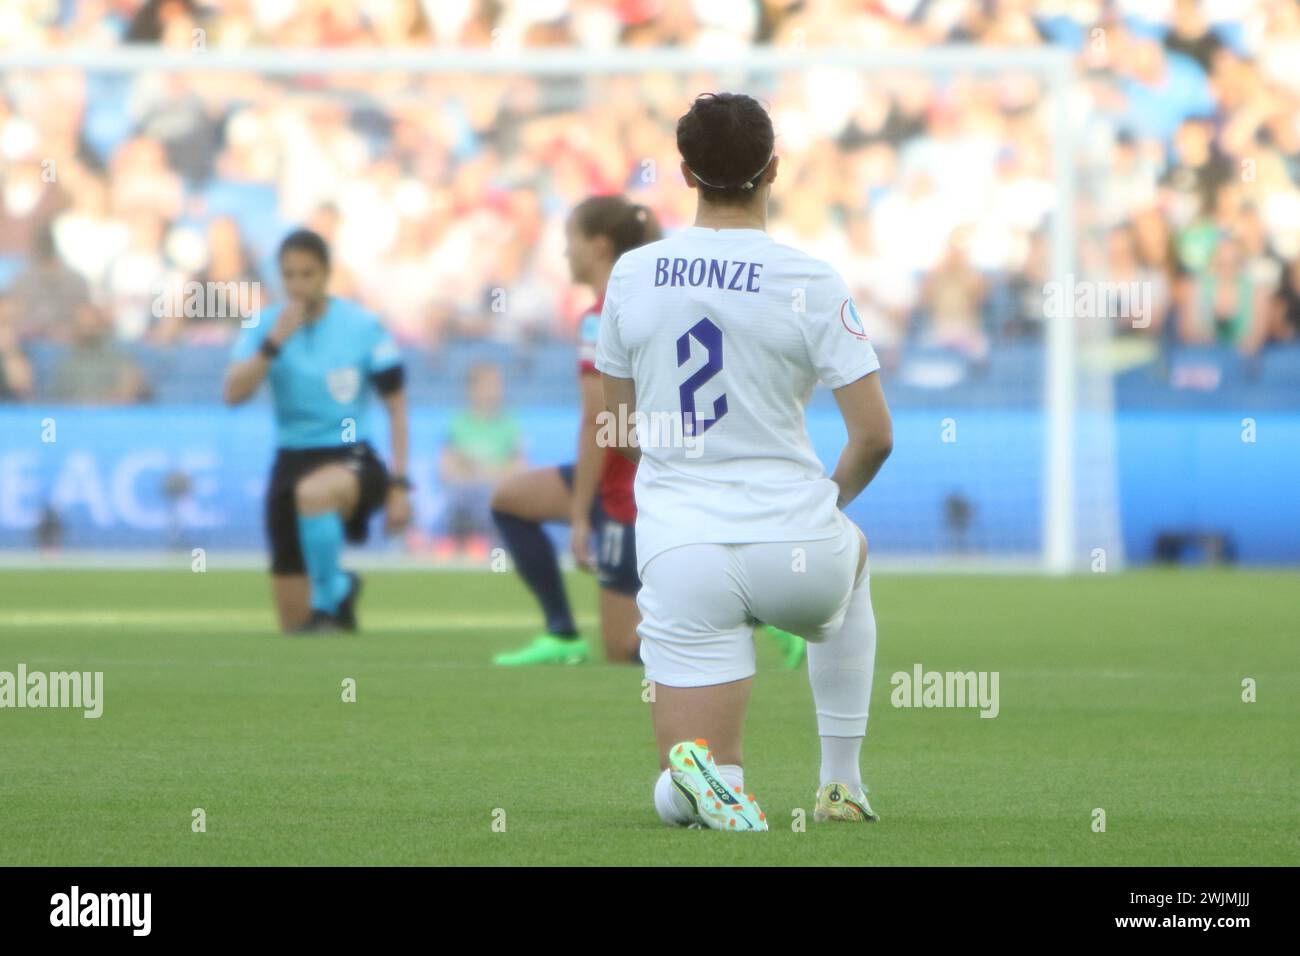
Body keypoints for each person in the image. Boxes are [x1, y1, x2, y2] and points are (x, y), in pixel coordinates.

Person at [596, 93, 893, 831]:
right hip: (798, 545)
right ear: (774, 170)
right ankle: (841, 785)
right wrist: (822, 504)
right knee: (853, 558)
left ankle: (704, 782)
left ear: (686, 173)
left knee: (694, 777)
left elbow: (619, 431)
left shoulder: (633, 274)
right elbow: (875, 436)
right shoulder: (811, 279)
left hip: (683, 549)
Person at [489, 195, 659, 665]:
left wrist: (582, 514)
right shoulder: (651, 302)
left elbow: (598, 420)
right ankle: (562, 633)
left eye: (572, 242)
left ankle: (740, 624)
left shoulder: (600, 316)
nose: (566, 253)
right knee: (510, 498)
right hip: (644, 473)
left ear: (599, 246)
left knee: (624, 650)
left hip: (623, 488)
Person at [223, 229, 411, 633]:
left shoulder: (362, 325)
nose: (298, 285)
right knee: (295, 625)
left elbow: (396, 405)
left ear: (326, 274)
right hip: (292, 457)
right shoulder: (266, 326)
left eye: (308, 274)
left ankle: (333, 591)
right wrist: (273, 344)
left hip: (350, 453)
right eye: (289, 276)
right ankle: (338, 600)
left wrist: (399, 484)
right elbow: (233, 394)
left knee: (314, 493)